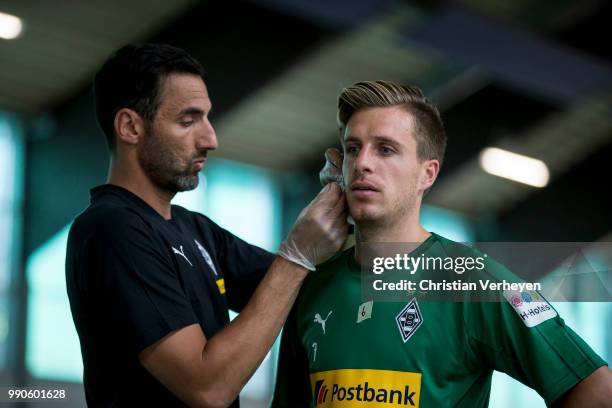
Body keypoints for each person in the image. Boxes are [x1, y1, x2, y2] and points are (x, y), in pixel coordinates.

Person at [271, 80, 612, 407]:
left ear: (427, 174)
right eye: (352, 149)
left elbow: (597, 391)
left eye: (386, 149)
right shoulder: (312, 287)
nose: (363, 163)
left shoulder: (472, 279)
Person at [65, 43, 349, 408]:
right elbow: (207, 388)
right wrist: (296, 256)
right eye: (188, 121)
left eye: (207, 118)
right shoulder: (111, 231)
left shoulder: (193, 229)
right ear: (130, 126)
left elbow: (307, 288)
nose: (210, 139)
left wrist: (349, 200)